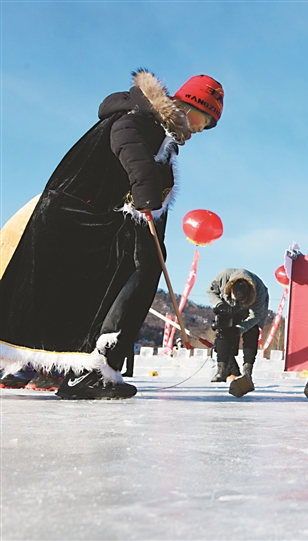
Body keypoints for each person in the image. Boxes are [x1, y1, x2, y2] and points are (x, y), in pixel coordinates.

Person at [0, 69, 224, 400]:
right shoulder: (139, 119)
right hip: (82, 219)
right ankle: (84, 371)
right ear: (191, 106)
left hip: (101, 222)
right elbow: (127, 145)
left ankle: (85, 371)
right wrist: (147, 193)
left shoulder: (159, 131)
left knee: (110, 287)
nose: (199, 130)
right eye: (203, 121)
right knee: (118, 282)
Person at [207, 269, 269, 384]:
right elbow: (210, 291)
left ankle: (247, 371)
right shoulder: (223, 277)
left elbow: (255, 316)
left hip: (252, 309)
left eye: (241, 301)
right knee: (223, 330)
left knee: (252, 330)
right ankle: (222, 369)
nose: (238, 304)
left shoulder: (259, 291)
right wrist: (219, 304)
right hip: (226, 305)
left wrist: (238, 329)